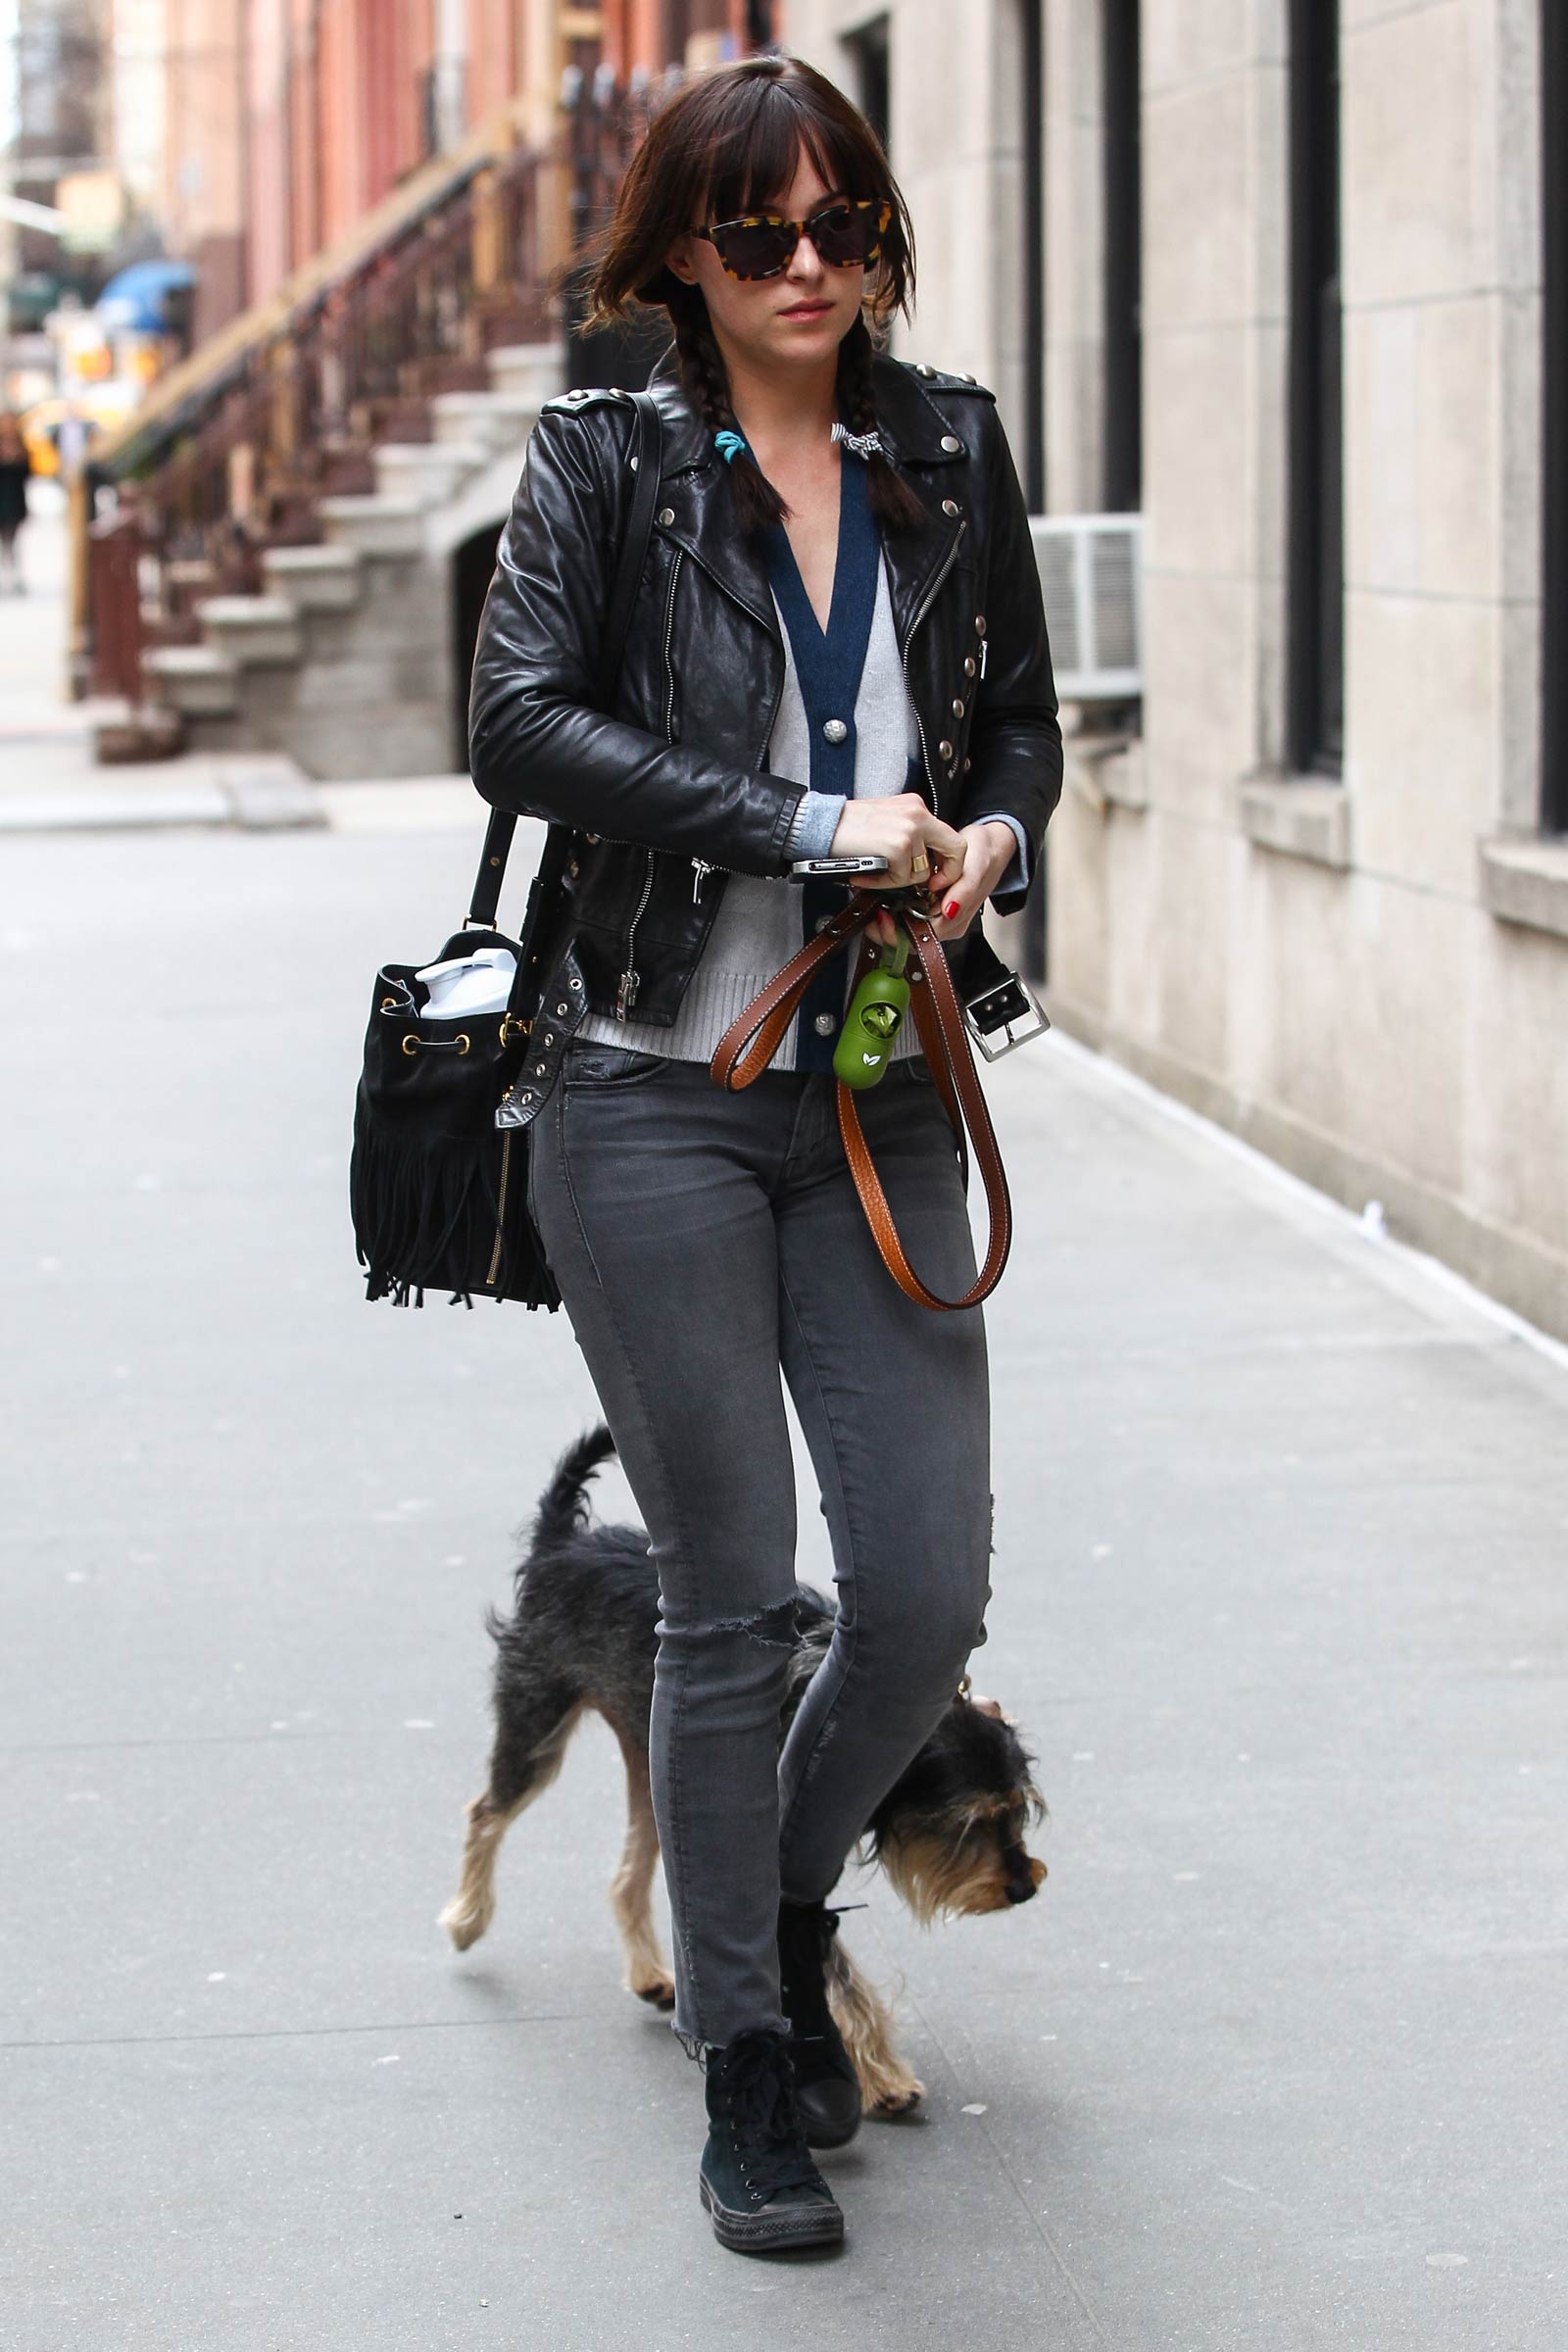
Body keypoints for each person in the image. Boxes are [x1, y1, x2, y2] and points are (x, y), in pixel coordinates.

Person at [468, 52, 1060, 2255]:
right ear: (677, 259)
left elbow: (1017, 718)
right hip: (646, 1092)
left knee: (915, 1587)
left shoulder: (945, 445)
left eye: (845, 230)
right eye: (758, 236)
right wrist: (810, 821)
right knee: (726, 1606)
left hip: (882, 1080)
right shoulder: (605, 460)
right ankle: (747, 2052)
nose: (809, 270)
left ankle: (768, 1905)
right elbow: (517, 721)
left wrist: (987, 828)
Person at [0, 413, 32, 594]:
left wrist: (15, 460)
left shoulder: (21, 445)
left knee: (13, 541)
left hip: (15, 501)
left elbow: (28, 472)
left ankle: (14, 577)